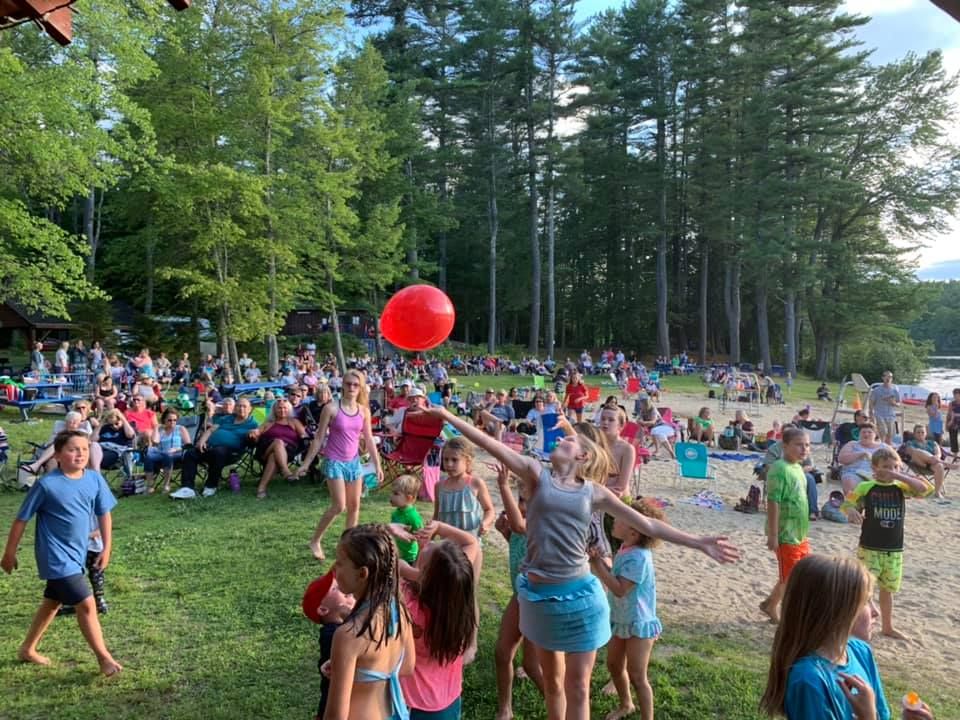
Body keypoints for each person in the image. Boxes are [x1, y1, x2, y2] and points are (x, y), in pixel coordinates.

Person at [420, 404, 738, 720]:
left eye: (570, 441)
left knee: (579, 688)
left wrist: (698, 542)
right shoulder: (535, 474)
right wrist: (447, 416)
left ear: (582, 457)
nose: (562, 440)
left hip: (582, 599)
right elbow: (493, 445)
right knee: (554, 684)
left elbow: (648, 525)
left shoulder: (594, 493)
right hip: (539, 599)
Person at [1, 431, 121, 676]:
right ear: (57, 455)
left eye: (84, 449)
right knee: (87, 604)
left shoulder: (95, 480)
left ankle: (27, 649)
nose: (80, 454)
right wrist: (9, 553)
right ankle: (104, 659)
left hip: (77, 555)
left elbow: (104, 514)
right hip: (54, 556)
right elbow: (21, 519)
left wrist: (107, 547)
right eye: (73, 449)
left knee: (52, 601)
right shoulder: (47, 485)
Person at [760, 555, 890, 720]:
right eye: (866, 601)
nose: (875, 612)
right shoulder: (809, 680)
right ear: (837, 611)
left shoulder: (861, 652)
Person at [324, 524, 414, 720]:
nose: (333, 568)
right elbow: (407, 665)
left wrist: (347, 666)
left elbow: (335, 716)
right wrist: (353, 667)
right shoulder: (399, 610)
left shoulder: (349, 635)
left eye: (339, 563)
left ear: (362, 573)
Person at [841, 447, 931, 641]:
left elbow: (924, 489)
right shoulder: (866, 487)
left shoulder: (901, 487)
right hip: (870, 547)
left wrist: (898, 475)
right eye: (886, 467)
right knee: (863, 588)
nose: (890, 470)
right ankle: (855, 625)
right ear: (875, 468)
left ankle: (888, 627)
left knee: (888, 590)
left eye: (895, 466)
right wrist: (850, 511)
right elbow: (846, 503)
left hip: (894, 549)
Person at [589, 499, 665, 720]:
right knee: (613, 664)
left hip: (638, 623)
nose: (614, 521)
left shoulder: (639, 557)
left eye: (620, 519)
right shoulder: (626, 548)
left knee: (637, 676)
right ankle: (626, 704)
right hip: (621, 618)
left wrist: (596, 566)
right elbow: (618, 575)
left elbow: (620, 589)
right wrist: (603, 563)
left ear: (634, 532)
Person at [398, 520, 479, 720]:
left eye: (431, 547)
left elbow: (386, 566)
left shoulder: (409, 603)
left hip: (414, 704)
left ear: (423, 575)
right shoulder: (456, 591)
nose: (431, 542)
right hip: (449, 699)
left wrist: (407, 571)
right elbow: (472, 543)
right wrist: (440, 526)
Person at [301, 369, 383, 561]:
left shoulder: (364, 411)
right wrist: (306, 463)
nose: (352, 388)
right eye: (348, 384)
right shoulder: (331, 408)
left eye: (356, 384)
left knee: (355, 507)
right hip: (334, 461)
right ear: (342, 385)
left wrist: (377, 465)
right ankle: (315, 540)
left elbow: (369, 439)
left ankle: (348, 547)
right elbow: (319, 437)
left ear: (361, 387)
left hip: (353, 462)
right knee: (339, 506)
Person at [493, 465, 544, 720]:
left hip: (536, 599)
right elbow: (517, 543)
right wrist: (505, 534)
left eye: (526, 501)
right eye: (520, 499)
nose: (522, 505)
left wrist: (503, 486)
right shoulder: (519, 525)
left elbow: (520, 526)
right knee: (502, 653)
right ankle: (505, 708)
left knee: (532, 666)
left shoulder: (538, 523)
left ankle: (561, 708)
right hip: (520, 595)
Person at [760, 427, 812, 624]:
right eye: (799, 445)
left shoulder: (798, 468)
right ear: (785, 446)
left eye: (807, 445)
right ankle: (786, 614)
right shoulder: (779, 468)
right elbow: (773, 502)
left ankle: (770, 604)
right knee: (791, 578)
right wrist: (773, 535)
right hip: (785, 533)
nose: (804, 449)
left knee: (795, 573)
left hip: (799, 532)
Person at [170, 397, 258, 499]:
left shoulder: (252, 424)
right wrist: (202, 441)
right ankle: (187, 488)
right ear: (235, 408)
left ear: (250, 409)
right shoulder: (226, 418)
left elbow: (254, 438)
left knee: (219, 452)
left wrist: (253, 436)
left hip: (232, 453)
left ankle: (211, 485)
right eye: (238, 406)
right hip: (210, 448)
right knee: (190, 453)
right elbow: (211, 430)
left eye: (244, 406)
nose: (241, 408)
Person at [303, 568, 356, 720]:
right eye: (335, 588)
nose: (343, 586)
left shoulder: (347, 624)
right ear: (323, 609)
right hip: (334, 707)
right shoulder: (330, 633)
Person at [249, 397, 308, 499]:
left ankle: (261, 489)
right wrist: (253, 432)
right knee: (278, 442)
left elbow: (304, 435)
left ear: (289, 409)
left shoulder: (294, 422)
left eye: (285, 408)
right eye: (279, 408)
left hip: (288, 452)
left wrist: (304, 437)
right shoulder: (268, 423)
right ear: (274, 410)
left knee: (274, 457)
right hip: (265, 451)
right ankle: (285, 471)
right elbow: (257, 432)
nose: (282, 410)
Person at [144, 407, 191, 494]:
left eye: (175, 420)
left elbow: (188, 445)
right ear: (164, 420)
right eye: (169, 420)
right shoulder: (161, 430)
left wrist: (176, 449)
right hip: (161, 453)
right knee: (148, 457)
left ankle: (166, 485)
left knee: (167, 455)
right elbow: (155, 442)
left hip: (177, 453)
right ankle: (150, 485)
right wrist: (156, 428)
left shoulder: (180, 428)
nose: (172, 422)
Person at [900, 425, 950, 499]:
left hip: (932, 464)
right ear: (914, 434)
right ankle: (946, 464)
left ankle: (937, 492)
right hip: (919, 463)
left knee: (940, 466)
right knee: (918, 451)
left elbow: (938, 453)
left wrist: (935, 458)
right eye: (918, 432)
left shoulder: (933, 443)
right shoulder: (910, 443)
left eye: (922, 432)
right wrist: (925, 455)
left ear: (926, 434)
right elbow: (911, 452)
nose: (920, 434)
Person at [390, 475, 424, 565]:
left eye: (396, 494)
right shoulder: (396, 513)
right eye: (392, 492)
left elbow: (422, 537)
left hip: (409, 558)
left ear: (409, 498)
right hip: (396, 555)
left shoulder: (413, 517)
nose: (391, 496)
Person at [868, 371, 901, 445]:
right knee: (883, 432)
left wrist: (894, 403)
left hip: (890, 415)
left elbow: (899, 404)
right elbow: (871, 403)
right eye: (886, 376)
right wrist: (871, 414)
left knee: (891, 434)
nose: (888, 378)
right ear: (883, 378)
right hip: (879, 414)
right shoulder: (877, 390)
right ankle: (881, 446)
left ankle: (887, 448)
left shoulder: (895, 390)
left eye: (890, 377)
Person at [947, 388, 960, 455]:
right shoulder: (951, 403)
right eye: (954, 395)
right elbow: (949, 414)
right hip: (953, 422)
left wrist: (956, 414)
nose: (956, 397)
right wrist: (947, 424)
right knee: (953, 438)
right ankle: (955, 454)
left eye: (957, 395)